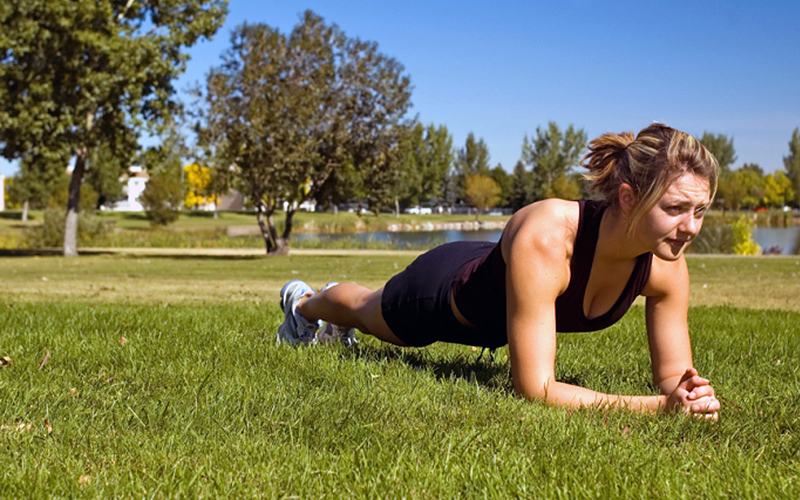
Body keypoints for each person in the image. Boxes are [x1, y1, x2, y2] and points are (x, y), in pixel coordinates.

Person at [278, 123, 721, 418]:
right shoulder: (549, 235)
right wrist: (655, 408)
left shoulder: (665, 266)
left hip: (502, 285)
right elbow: (535, 388)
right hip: (446, 293)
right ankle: (304, 304)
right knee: (366, 310)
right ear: (628, 199)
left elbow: (672, 376)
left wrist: (689, 395)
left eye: (700, 210)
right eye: (676, 208)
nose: (691, 227)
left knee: (366, 311)